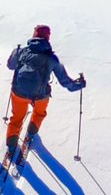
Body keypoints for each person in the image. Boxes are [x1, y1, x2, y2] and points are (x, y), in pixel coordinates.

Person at [6, 24, 85, 157]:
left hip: (18, 92)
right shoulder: (52, 59)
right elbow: (65, 82)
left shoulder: (21, 51)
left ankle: (11, 145)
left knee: (17, 118)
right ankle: (31, 132)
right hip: (40, 95)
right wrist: (79, 84)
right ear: (48, 37)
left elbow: (10, 65)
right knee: (39, 113)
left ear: (34, 35)